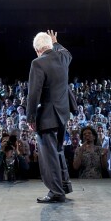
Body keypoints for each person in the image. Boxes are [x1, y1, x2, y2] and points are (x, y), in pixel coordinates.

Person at [26, 30, 73, 203]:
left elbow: (34, 93)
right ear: (50, 45)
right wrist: (56, 42)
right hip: (62, 114)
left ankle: (56, 191)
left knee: (49, 155)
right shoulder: (63, 58)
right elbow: (66, 52)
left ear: (37, 49)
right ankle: (64, 185)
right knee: (58, 151)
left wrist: (30, 117)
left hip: (47, 116)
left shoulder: (38, 63)